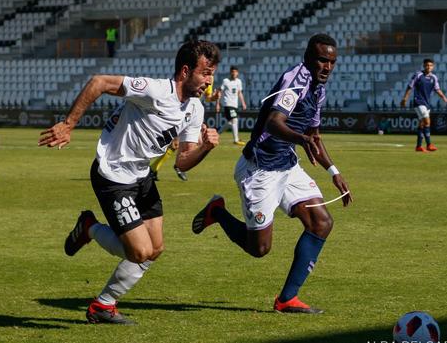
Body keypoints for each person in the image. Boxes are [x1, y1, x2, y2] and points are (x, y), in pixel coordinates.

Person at [37, 40, 221, 324]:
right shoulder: (156, 90)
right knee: (139, 252)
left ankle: (103, 306)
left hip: (141, 176)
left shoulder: (195, 109)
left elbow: (182, 162)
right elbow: (99, 82)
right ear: (185, 72)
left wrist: (205, 148)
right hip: (113, 175)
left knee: (155, 249)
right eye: (206, 73)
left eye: (212, 74)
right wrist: (69, 124)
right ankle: (90, 228)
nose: (210, 81)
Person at [192, 34, 352, 314]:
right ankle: (217, 212)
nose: (327, 66)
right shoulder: (295, 81)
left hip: (287, 165)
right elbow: (274, 122)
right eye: (322, 60)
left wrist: (333, 171)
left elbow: (314, 135)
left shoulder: (318, 88)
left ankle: (287, 299)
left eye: (332, 62)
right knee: (259, 249)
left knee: (321, 223)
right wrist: (301, 140)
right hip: (260, 168)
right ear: (308, 58)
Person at [400, 58, 447, 152]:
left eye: (430, 65)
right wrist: (405, 98)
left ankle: (418, 146)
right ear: (423, 66)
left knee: (422, 124)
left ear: (433, 67)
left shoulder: (434, 77)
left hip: (426, 103)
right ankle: (429, 144)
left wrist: (444, 97)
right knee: (427, 122)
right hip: (418, 101)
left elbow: (437, 89)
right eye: (427, 65)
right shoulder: (418, 75)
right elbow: (410, 87)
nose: (428, 67)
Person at [216, 66, 247, 145]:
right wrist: (218, 104)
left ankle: (217, 133)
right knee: (234, 120)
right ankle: (236, 140)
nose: (234, 73)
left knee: (230, 123)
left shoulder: (239, 82)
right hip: (227, 104)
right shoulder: (225, 81)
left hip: (235, 105)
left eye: (235, 72)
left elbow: (239, 93)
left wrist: (243, 103)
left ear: (237, 73)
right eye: (232, 72)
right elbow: (219, 92)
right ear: (230, 72)